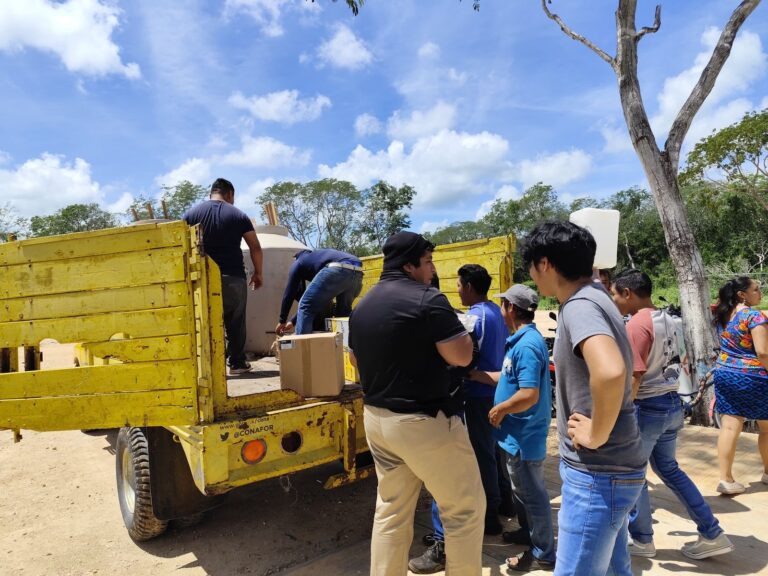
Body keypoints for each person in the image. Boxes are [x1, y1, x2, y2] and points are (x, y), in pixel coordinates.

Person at [349, 231, 485, 576]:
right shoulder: (428, 300)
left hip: (378, 420)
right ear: (408, 265)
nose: (432, 269)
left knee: (391, 511)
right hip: (424, 423)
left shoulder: (362, 306)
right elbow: (461, 355)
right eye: (427, 262)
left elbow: (354, 357)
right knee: (465, 511)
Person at [522, 220, 645, 576]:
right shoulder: (597, 296)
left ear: (544, 264)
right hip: (615, 468)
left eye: (531, 266)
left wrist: (597, 434)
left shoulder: (579, 306)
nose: (532, 276)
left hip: (597, 471)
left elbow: (609, 371)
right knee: (614, 569)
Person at [611, 269, 734, 560]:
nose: (613, 300)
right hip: (671, 402)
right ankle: (711, 531)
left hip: (646, 407)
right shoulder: (668, 318)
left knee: (634, 475)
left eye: (615, 294)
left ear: (628, 293)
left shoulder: (636, 325)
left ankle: (642, 539)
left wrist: (621, 411)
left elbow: (635, 374)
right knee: (669, 469)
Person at [409, 264, 509, 574]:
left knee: (480, 455)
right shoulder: (494, 311)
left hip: (478, 392)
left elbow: (463, 353)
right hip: (494, 389)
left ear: (468, 286)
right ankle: (503, 504)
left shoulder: (474, 317)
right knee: (494, 451)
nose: (457, 289)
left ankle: (489, 515)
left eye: (460, 285)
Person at [477, 284, 556, 572]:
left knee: (533, 496)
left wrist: (500, 408)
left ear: (511, 308)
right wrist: (478, 375)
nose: (500, 310)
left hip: (525, 436)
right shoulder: (520, 341)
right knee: (522, 492)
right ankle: (528, 534)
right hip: (515, 435)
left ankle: (544, 553)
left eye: (502, 305)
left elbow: (529, 394)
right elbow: (508, 377)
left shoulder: (527, 345)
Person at [183, 178, 263, 375]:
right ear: (230, 194)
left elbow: (180, 246)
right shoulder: (238, 215)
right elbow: (255, 247)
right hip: (233, 277)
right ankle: (236, 363)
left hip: (202, 278)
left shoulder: (191, 214)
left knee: (204, 321)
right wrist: (258, 273)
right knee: (235, 321)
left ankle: (206, 367)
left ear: (212, 193)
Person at [712, 276, 768, 495]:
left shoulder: (724, 314)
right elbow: (763, 352)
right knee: (767, 428)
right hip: (754, 377)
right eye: (756, 289)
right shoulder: (754, 316)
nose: (760, 293)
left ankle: (726, 480)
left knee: (729, 426)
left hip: (725, 373)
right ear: (742, 295)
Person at [276, 248, 363, 336]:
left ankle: (302, 347)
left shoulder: (298, 262)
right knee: (343, 311)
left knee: (305, 305)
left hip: (337, 268)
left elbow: (290, 292)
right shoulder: (316, 260)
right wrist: (292, 322)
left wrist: (282, 321)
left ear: (295, 257)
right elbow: (317, 300)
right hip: (358, 271)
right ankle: (348, 346)